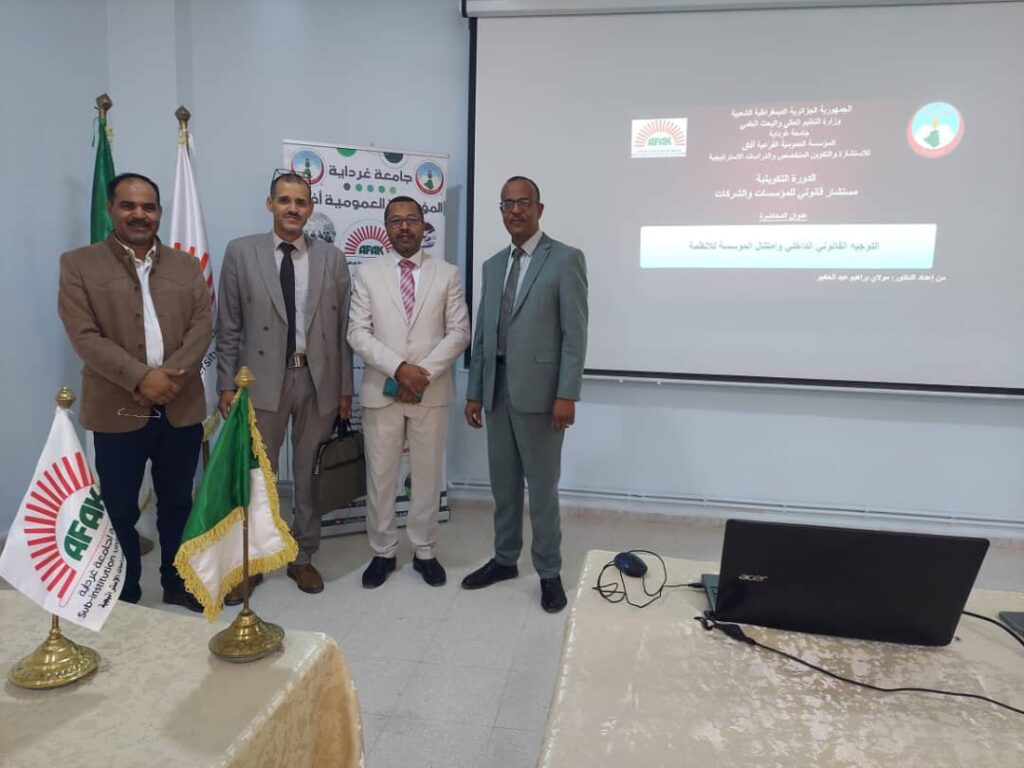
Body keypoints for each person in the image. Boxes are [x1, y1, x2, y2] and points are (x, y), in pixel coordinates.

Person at [58, 172, 212, 612]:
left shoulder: (185, 265)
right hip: (117, 408)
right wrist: (142, 378)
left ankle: (177, 582)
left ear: (160, 212)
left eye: (148, 207)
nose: (139, 214)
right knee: (119, 508)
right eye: (128, 205)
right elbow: (84, 336)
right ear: (111, 209)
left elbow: (202, 326)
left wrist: (170, 380)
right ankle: (124, 590)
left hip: (180, 405)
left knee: (178, 502)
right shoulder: (79, 264)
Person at [216, 172, 353, 598]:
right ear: (270, 204)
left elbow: (343, 331)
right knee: (259, 475)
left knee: (309, 473)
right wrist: (225, 386)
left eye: (301, 201)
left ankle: (302, 555)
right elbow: (228, 325)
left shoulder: (332, 258)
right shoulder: (241, 252)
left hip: (317, 379)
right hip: (261, 381)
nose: (293, 208)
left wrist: (345, 389)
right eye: (284, 200)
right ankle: (253, 559)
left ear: (310, 208)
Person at [463, 176, 588, 613]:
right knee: (503, 485)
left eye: (523, 203)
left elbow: (575, 335)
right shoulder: (493, 265)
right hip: (496, 391)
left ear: (539, 208)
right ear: (500, 211)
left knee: (542, 489)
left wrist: (567, 393)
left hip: (542, 395)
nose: (515, 210)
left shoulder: (565, 259)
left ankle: (549, 572)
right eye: (507, 204)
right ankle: (504, 559)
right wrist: (475, 391)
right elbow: (483, 334)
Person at [348, 196, 470, 588]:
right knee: (381, 476)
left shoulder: (447, 274)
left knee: (427, 475)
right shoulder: (367, 274)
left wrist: (422, 375)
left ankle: (424, 550)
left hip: (430, 392)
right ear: (386, 227)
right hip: (381, 391)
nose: (404, 227)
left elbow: (459, 332)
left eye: (411, 219)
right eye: (396, 220)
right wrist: (400, 370)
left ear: (423, 225)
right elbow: (357, 333)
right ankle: (383, 551)